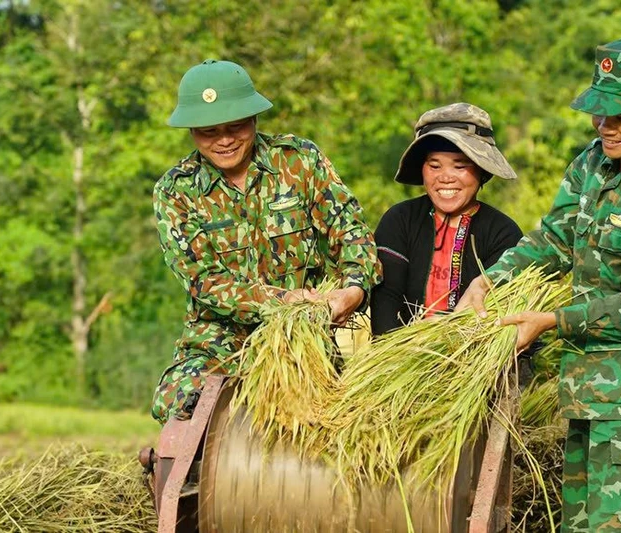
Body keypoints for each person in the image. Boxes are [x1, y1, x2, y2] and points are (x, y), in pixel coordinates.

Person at [458, 39, 621, 532]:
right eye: (599, 113)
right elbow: (553, 239)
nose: (605, 126)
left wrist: (550, 322)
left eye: (620, 115)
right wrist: (491, 279)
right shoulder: (592, 163)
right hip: (587, 394)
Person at [151, 59, 382, 424]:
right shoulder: (175, 190)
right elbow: (203, 281)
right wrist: (280, 300)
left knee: (323, 412)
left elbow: (353, 235)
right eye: (209, 131)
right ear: (192, 130)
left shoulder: (299, 161)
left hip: (307, 330)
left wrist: (352, 291)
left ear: (255, 120)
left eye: (235, 126)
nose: (224, 140)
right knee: (179, 400)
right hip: (221, 335)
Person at [370, 103, 523, 335]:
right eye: (434, 165)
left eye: (460, 166)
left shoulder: (502, 233)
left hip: (475, 359)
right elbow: (386, 300)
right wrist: (404, 347)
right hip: (403, 353)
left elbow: (498, 316)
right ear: (422, 169)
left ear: (482, 171)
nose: (446, 177)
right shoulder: (400, 220)